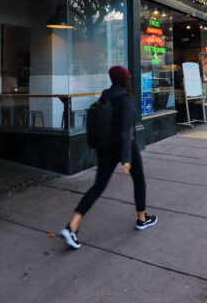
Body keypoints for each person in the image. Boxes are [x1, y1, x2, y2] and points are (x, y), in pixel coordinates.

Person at [59, 66, 156, 250]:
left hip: (105, 148)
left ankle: (72, 226)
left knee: (97, 186)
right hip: (124, 146)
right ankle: (142, 219)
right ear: (125, 79)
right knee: (139, 180)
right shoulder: (126, 100)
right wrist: (127, 159)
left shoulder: (105, 96)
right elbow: (127, 132)